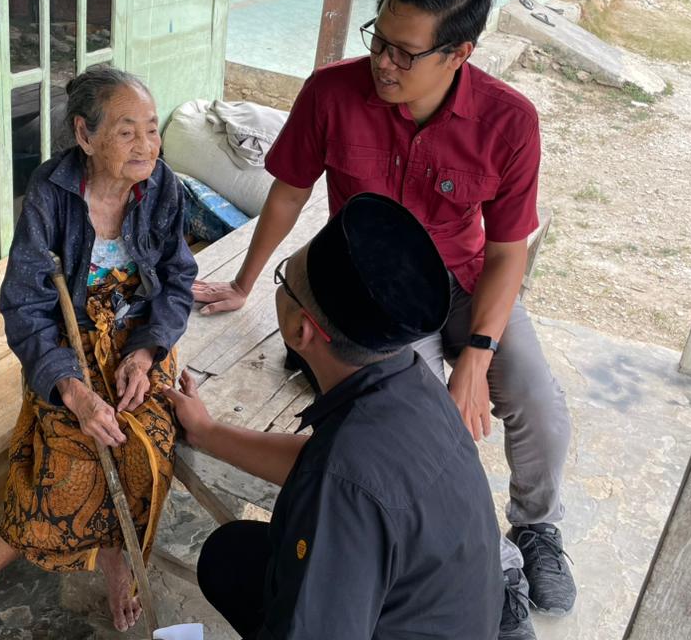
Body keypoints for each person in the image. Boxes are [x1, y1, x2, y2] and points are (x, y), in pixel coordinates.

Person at [192, 0, 574, 639]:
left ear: (460, 53)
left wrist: (480, 355)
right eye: (378, 40)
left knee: (538, 402)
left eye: (405, 52)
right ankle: (497, 569)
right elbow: (286, 191)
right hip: (377, 301)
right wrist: (249, 282)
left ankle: (536, 528)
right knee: (422, 432)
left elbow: (509, 248)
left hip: (466, 282)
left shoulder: (509, 120)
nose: (384, 64)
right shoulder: (332, 93)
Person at [0, 67, 197, 639]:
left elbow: (178, 282)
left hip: (136, 340)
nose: (146, 146)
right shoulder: (51, 198)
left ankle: (113, 555)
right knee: (69, 461)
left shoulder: (164, 188)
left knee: (150, 443)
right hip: (67, 348)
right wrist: (73, 389)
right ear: (84, 135)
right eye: (127, 132)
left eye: (152, 130)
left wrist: (150, 351)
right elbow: (25, 309)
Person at [168, 193, 502, 638]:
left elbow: (341, 480)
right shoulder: (412, 381)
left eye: (283, 280)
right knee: (231, 557)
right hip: (448, 611)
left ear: (300, 329)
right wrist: (207, 432)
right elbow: (321, 463)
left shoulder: (343, 487)